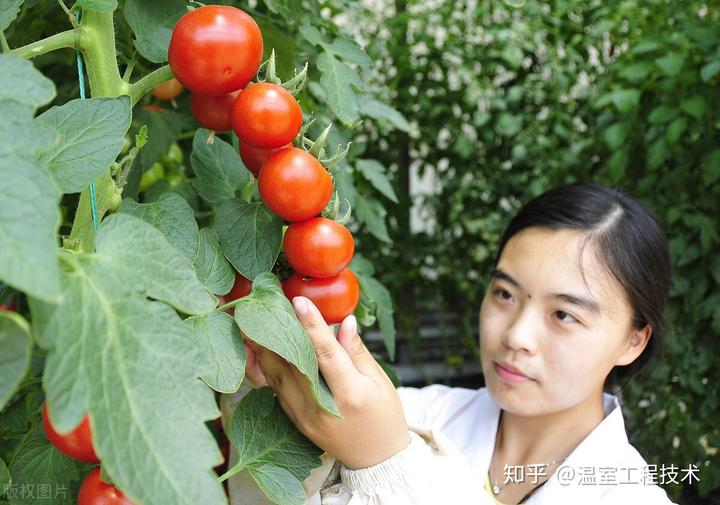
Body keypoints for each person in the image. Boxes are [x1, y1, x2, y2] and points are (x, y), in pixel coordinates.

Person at [228, 182, 678, 504]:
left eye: (563, 314)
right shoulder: (411, 414)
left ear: (633, 342)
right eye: (505, 294)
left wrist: (387, 463)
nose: (516, 335)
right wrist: (274, 390)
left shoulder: (629, 493)